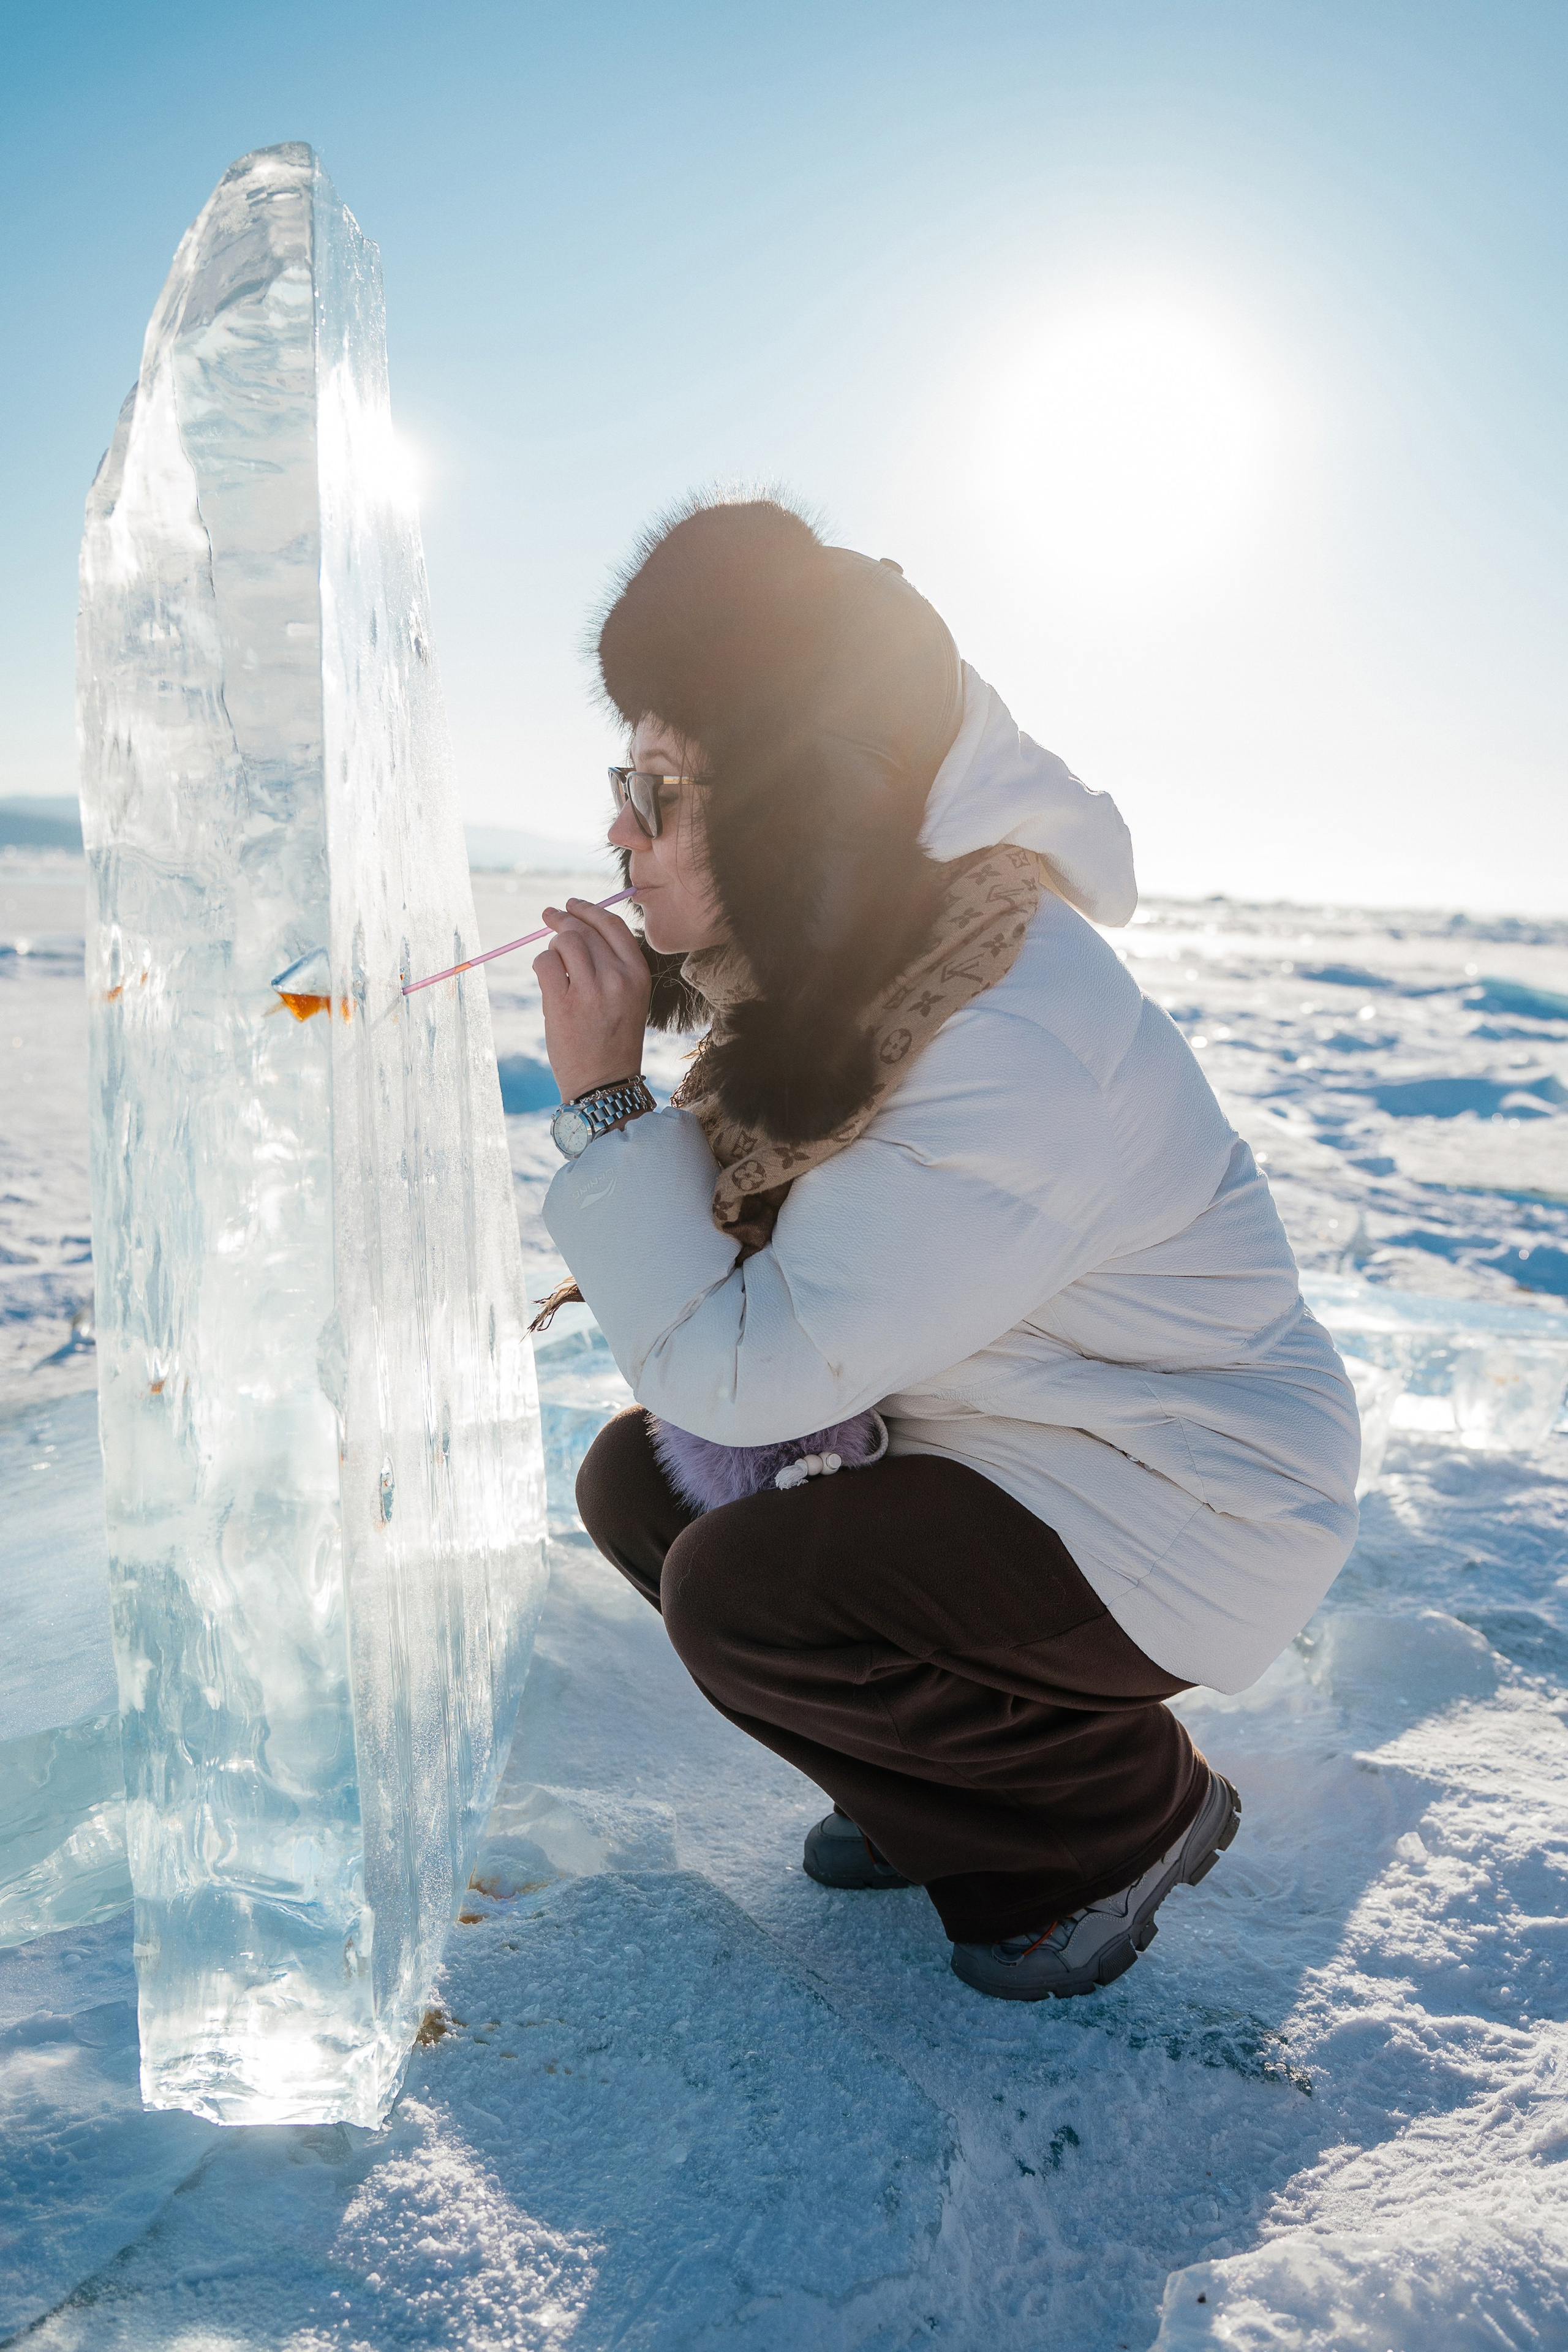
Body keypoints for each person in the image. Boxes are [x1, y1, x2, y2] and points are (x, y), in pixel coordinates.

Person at [531, 496, 1359, 2002]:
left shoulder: (1004, 1033)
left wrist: (603, 1107)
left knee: (745, 1585)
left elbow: (748, 1374)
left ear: (793, 801)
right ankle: (942, 1786)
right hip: (1027, 1447)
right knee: (638, 1485)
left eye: (657, 785)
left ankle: (1112, 1818)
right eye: (623, 778)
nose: (617, 829)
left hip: (1181, 1498)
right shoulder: (870, 971)